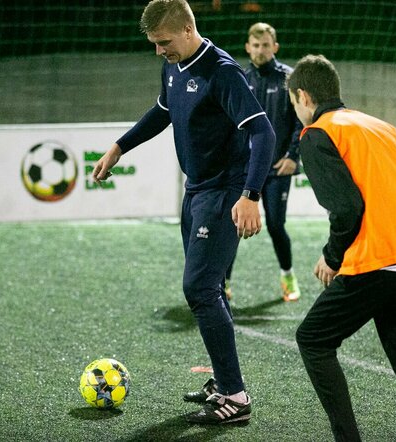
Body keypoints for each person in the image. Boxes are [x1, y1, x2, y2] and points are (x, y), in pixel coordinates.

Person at [92, 0, 275, 425]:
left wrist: (250, 194)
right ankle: (225, 382)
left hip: (225, 192)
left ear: (188, 30)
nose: (159, 51)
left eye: (165, 42)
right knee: (210, 289)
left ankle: (236, 397)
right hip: (196, 192)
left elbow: (263, 132)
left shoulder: (222, 70)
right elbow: (163, 111)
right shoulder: (174, 66)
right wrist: (120, 147)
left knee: (199, 288)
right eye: (155, 44)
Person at [287, 54, 396, 441]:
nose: (295, 111)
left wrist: (332, 257)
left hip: (382, 260)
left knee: (313, 340)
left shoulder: (317, 133)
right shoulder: (381, 126)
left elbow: (347, 206)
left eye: (293, 103)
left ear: (303, 96)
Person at [224, 22, 303, 302]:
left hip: (277, 169)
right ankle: (224, 283)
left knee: (276, 225)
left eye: (265, 45)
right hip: (245, 171)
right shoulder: (240, 79)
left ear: (275, 47)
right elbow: (231, 125)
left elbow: (301, 121)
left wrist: (293, 156)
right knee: (234, 225)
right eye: (255, 46)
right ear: (248, 47)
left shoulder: (290, 79)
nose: (260, 50)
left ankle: (288, 276)